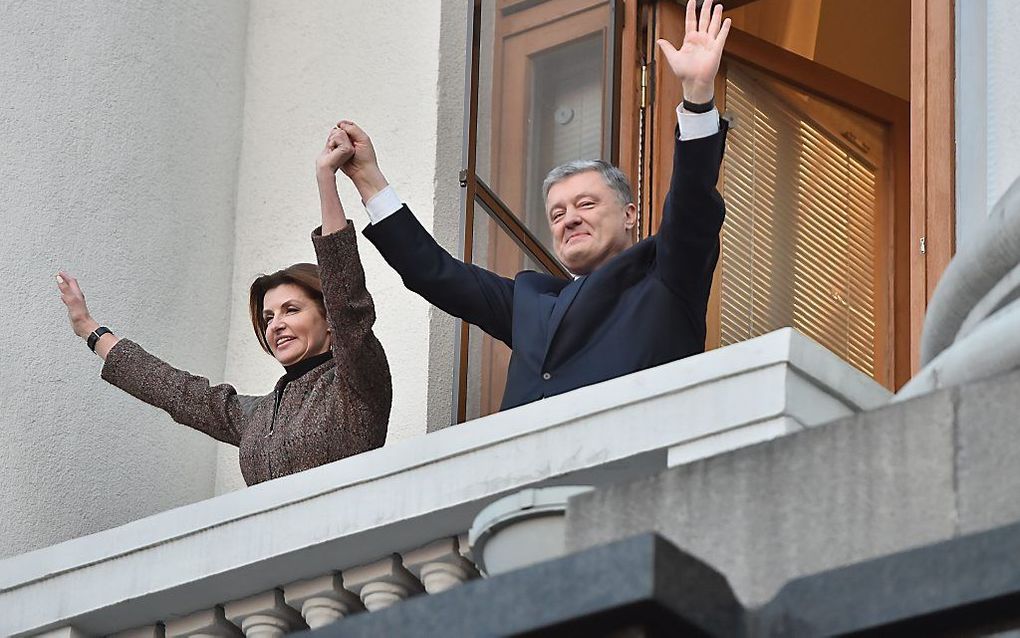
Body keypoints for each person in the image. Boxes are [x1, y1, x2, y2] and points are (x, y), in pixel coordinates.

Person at [333, 0, 731, 412]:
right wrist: (367, 179)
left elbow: (692, 205)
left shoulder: (664, 278)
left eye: (586, 203)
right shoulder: (530, 301)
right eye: (557, 214)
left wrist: (698, 99)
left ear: (630, 215)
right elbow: (434, 273)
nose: (570, 218)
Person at [56, 126, 392, 485]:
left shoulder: (355, 382)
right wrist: (91, 331)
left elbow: (345, 294)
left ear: (329, 320)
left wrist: (326, 177)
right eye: (268, 316)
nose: (275, 323)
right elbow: (179, 393)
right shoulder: (259, 415)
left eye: (291, 310)